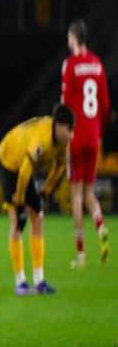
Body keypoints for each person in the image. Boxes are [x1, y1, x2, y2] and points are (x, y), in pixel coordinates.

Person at [0, 104, 75, 295]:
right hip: (9, 159)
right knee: (18, 222)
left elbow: (59, 167)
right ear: (59, 126)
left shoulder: (63, 142)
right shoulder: (42, 139)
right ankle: (20, 282)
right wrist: (19, 199)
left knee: (38, 217)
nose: (71, 135)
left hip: (24, 165)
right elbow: (24, 171)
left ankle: (39, 280)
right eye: (69, 130)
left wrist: (46, 192)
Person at [61, 19, 110, 268]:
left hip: (76, 136)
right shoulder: (98, 64)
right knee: (90, 192)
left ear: (74, 37)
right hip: (94, 135)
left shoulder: (70, 65)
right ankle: (100, 225)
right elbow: (105, 104)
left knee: (77, 195)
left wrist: (64, 137)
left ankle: (80, 256)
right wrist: (99, 132)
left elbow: (65, 105)